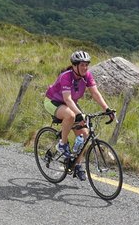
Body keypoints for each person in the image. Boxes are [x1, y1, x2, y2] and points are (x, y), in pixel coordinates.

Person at [44, 50, 114, 179]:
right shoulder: (66, 76)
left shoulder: (87, 75)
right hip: (53, 102)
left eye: (87, 64)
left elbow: (95, 93)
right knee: (70, 116)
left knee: (84, 134)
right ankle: (62, 144)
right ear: (75, 65)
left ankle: (77, 165)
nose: (85, 67)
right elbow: (67, 99)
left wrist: (107, 109)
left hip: (70, 105)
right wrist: (79, 114)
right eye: (82, 65)